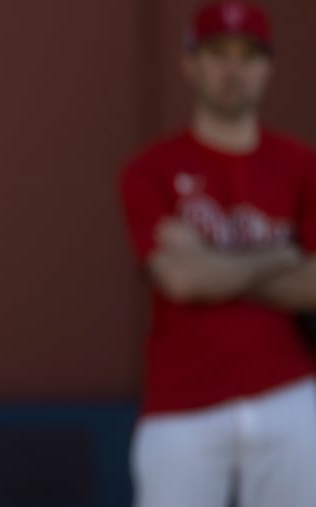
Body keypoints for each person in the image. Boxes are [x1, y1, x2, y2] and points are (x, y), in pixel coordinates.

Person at [119, 2, 316, 506]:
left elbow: (313, 286)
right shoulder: (152, 169)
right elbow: (179, 279)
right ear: (190, 63)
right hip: (181, 402)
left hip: (289, 394)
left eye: (247, 55)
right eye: (217, 53)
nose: (233, 69)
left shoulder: (301, 165)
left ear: (267, 65)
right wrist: (283, 253)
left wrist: (209, 259)